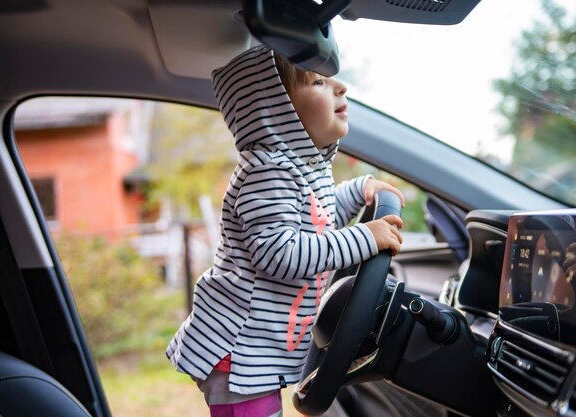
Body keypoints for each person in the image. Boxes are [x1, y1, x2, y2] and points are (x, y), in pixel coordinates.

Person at [166, 45, 404, 417]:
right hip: (239, 346)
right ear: (275, 110)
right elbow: (281, 254)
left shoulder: (298, 170)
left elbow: (320, 220)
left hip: (255, 350)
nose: (340, 87)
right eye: (318, 81)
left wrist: (359, 190)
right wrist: (365, 238)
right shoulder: (267, 170)